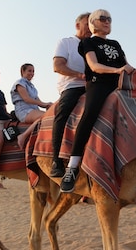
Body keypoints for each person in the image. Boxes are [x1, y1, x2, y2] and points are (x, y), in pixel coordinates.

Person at [60, 9, 134, 193]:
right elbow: (94, 66)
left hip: (118, 85)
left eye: (109, 18)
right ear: (92, 23)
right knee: (89, 115)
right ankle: (73, 166)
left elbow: (126, 63)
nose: (107, 21)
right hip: (98, 84)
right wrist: (117, 71)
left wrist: (135, 71)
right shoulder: (88, 42)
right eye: (103, 18)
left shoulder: (115, 44)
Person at [49, 12, 92, 177]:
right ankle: (56, 161)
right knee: (63, 113)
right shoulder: (66, 43)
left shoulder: (94, 45)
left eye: (92, 23)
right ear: (77, 25)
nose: (90, 27)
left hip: (93, 86)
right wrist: (80, 75)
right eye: (87, 23)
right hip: (72, 85)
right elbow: (58, 66)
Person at [10, 63, 53, 148]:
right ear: (23, 71)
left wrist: (48, 105)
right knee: (44, 117)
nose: (32, 73)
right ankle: (23, 136)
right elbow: (27, 99)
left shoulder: (32, 87)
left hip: (33, 109)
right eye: (29, 71)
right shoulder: (19, 83)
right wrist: (44, 104)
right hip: (24, 110)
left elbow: (38, 101)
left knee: (51, 115)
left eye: (33, 71)